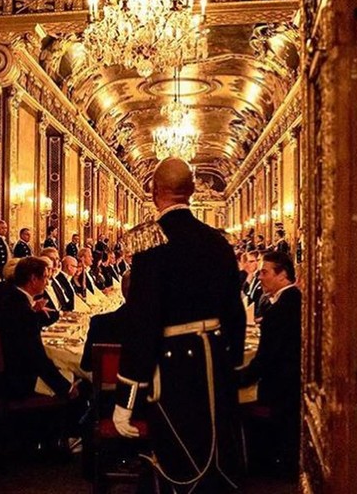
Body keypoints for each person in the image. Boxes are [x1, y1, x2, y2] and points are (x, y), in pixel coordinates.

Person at [112, 157, 246, 493]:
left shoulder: (151, 243)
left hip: (171, 368)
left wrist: (125, 400)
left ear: (154, 191)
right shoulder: (218, 241)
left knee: (178, 453)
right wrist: (229, 363)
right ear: (192, 191)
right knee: (214, 446)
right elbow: (236, 312)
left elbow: (142, 325)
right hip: (214, 362)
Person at [237, 251, 301, 479]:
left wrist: (236, 379)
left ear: (282, 275)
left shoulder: (279, 312)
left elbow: (264, 362)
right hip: (289, 383)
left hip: (281, 389)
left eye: (265, 272)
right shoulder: (294, 300)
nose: (260, 277)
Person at [0, 256, 79, 400]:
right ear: (33, 279)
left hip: (0, 372)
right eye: (45, 277)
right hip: (17, 378)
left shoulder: (11, 297)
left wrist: (34, 312)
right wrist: (66, 388)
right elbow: (38, 359)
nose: (47, 283)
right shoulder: (22, 311)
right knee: (77, 378)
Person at [80, 271, 131, 372]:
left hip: (108, 380)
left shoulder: (100, 323)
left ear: (122, 290)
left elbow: (86, 365)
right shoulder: (155, 326)